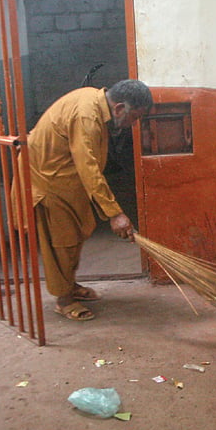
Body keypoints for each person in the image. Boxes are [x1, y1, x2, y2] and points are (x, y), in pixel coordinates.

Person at [22, 79, 153, 321]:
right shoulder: (87, 117)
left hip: (66, 178)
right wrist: (115, 213)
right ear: (120, 108)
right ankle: (64, 300)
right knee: (62, 242)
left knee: (76, 234)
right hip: (50, 179)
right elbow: (88, 167)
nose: (133, 124)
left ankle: (69, 286)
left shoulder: (95, 99)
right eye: (134, 118)